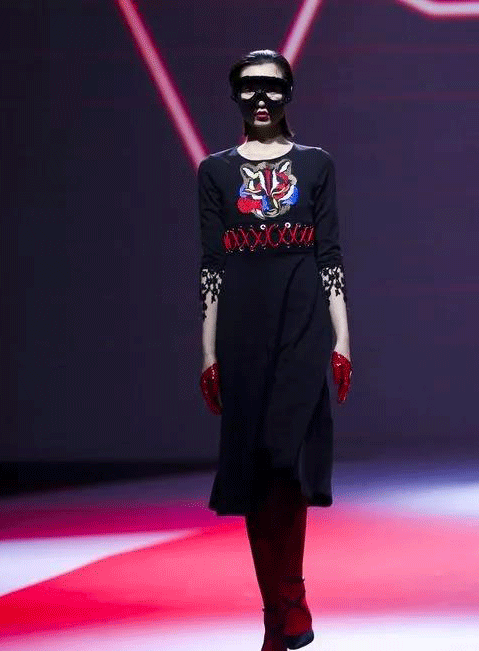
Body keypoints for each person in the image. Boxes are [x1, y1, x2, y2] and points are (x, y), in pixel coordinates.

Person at [197, 49, 352, 650]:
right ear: (236, 96)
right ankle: (276, 613)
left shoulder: (316, 165)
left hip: (303, 318)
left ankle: (291, 595)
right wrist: (207, 352)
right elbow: (212, 265)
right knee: (255, 470)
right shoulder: (214, 172)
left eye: (272, 87)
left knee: (290, 463)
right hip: (242, 326)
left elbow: (329, 254)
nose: (260, 98)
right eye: (248, 88)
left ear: (289, 93)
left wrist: (342, 339)